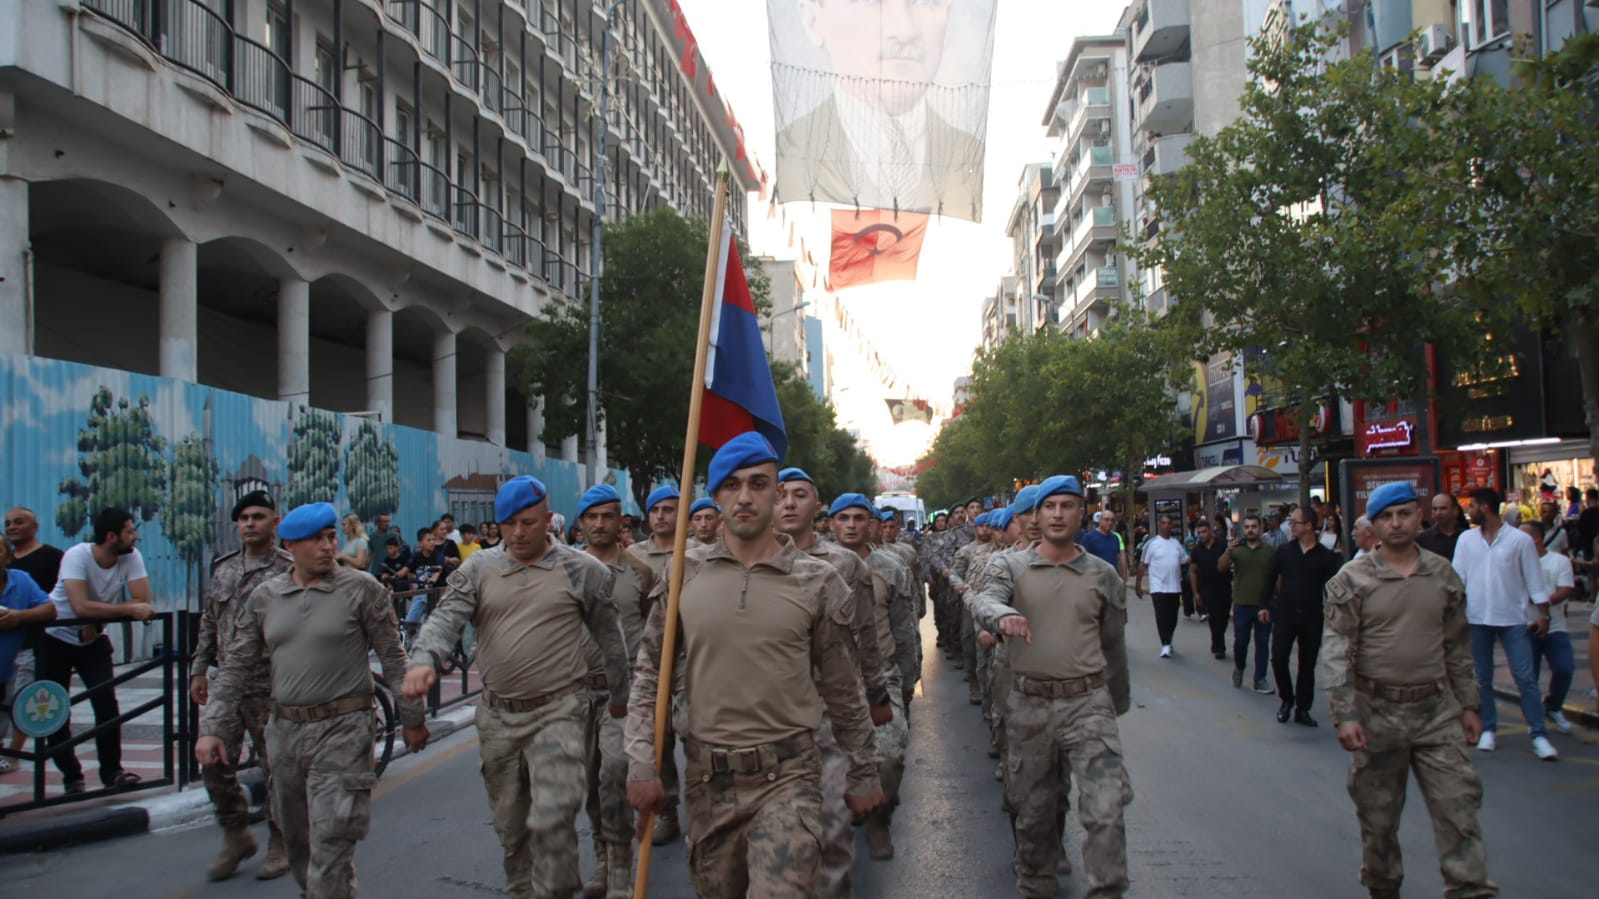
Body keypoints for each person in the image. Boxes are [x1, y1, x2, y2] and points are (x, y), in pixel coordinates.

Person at [625, 433, 884, 898]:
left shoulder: (818, 580)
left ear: (776, 492)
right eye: (732, 485)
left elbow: (845, 688)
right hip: (708, 776)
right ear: (717, 494)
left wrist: (863, 770)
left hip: (789, 774)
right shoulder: (685, 572)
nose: (745, 497)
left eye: (759, 484)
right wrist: (642, 761)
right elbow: (650, 674)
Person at [402, 477, 631, 899]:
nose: (518, 533)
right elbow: (445, 619)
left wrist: (620, 699)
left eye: (528, 523)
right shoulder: (479, 568)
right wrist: (423, 660)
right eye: (508, 524)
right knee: (510, 826)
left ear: (548, 520)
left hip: (559, 712)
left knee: (554, 819)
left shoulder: (582, 570)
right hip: (498, 717)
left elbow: (610, 639)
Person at [195, 502, 426, 899]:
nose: (326, 546)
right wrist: (213, 727)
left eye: (330, 536)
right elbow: (234, 665)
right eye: (315, 539)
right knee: (299, 843)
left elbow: (393, 658)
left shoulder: (362, 589)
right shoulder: (266, 597)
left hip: (345, 728)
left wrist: (412, 718)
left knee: (332, 841)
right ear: (291, 545)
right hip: (284, 731)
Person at [1318, 482, 1496, 899]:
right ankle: (1383, 888)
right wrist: (1346, 714)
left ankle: (1469, 888)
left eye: (1404, 514)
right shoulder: (1353, 579)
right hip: (1377, 714)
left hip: (1437, 712)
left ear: (1420, 517)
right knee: (1378, 822)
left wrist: (1470, 705)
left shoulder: (1442, 574)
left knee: (1460, 812)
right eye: (1386, 517)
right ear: (1374, 526)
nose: (1396, 523)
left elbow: (1457, 646)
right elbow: (1337, 651)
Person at [973, 475, 1132, 899]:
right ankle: (1036, 883)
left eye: (1068, 505)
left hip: (1088, 703)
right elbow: (985, 599)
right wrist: (1001, 616)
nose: (1058, 514)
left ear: (1083, 513)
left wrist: (1115, 701)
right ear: (1037, 516)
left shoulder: (1103, 575)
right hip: (1029, 703)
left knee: (1106, 804)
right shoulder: (1010, 566)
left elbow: (1113, 641)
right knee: (1034, 811)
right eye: (1049, 507)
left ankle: (1107, 889)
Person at [775, 469, 890, 899]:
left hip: (829, 710)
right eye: (781, 494)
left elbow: (866, 638)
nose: (788, 503)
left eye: (799, 495)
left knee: (831, 835)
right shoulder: (748, 566)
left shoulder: (844, 564)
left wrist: (876, 695)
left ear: (817, 506)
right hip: (768, 714)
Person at [190, 491, 295, 881]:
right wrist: (199, 668)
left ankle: (281, 840)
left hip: (272, 684)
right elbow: (209, 620)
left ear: (274, 522)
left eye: (258, 516)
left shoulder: (288, 569)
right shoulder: (224, 568)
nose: (249, 523)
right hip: (227, 687)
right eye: (243, 518)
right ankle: (236, 833)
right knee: (212, 761)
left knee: (277, 768)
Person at [575, 484, 656, 898]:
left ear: (621, 520)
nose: (600, 524)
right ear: (581, 522)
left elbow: (653, 628)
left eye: (608, 516)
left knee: (614, 773)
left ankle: (622, 866)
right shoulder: (565, 569)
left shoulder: (640, 571)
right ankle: (603, 856)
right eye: (592, 516)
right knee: (588, 779)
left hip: (621, 695)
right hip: (573, 694)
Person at [39, 507, 156, 793]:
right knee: (54, 708)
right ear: (111, 536)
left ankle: (112, 771)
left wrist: (100, 618)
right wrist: (123, 609)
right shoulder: (77, 555)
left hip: (92, 640)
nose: (136, 536)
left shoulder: (131, 557)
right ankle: (72, 776)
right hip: (56, 636)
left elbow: (144, 602)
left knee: (105, 700)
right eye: (130, 531)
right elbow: (81, 607)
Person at [831, 492, 917, 861]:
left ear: (872, 524)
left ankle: (880, 821)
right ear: (832, 523)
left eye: (859, 518)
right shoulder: (814, 566)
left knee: (888, 758)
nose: (851, 525)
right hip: (828, 681)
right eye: (843, 518)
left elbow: (904, 628)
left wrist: (908, 681)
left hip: (880, 676)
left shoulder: (890, 569)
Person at [1451, 487, 1557, 759]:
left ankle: (1539, 734)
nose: (1469, 511)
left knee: (1525, 677)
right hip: (1476, 617)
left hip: (1513, 618)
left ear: (1485, 507)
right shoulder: (1466, 540)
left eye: (1472, 505)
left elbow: (1534, 580)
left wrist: (1543, 614)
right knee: (1482, 678)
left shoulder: (1519, 541)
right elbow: (1457, 578)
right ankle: (1488, 728)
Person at [624, 483, 683, 844]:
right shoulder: (633, 556)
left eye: (669, 509)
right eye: (655, 510)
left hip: (689, 660)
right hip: (648, 659)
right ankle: (669, 812)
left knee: (697, 737)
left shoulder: (697, 553)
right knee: (657, 740)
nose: (661, 517)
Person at [1263, 505, 1342, 726]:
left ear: (1308, 526)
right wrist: (1264, 604)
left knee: (1307, 665)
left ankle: (1303, 709)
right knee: (1278, 658)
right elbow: (1270, 577)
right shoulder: (1285, 552)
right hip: (1286, 614)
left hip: (1312, 616)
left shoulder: (1326, 557)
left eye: (1295, 522)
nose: (1291, 526)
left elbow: (1333, 588)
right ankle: (1287, 699)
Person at [4, 507, 63, 758]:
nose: (12, 527)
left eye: (19, 522)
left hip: (34, 643)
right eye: (7, 523)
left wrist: (20, 617)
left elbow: (55, 603)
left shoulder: (50, 557)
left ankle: (15, 754)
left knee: (23, 699)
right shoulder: (11, 566)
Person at [1520, 520, 1576, 735]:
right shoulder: (1517, 563)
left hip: (1555, 627)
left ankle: (1553, 706)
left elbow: (1564, 590)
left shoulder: (1559, 561)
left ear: (1536, 538)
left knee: (1564, 668)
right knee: (1528, 676)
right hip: (1525, 626)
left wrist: (1541, 600)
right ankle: (1533, 716)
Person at [1219, 514, 1275, 692]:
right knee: (1241, 641)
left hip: (1263, 605)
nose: (1251, 530)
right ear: (1243, 529)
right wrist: (1228, 550)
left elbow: (1277, 578)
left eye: (1254, 526)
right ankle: (1240, 667)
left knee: (1262, 642)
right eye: (1248, 527)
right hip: (1242, 604)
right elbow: (1220, 567)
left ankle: (1260, 679)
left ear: (1260, 529)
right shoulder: (1237, 550)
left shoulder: (1269, 551)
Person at [948, 511, 996, 704]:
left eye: (988, 526)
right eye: (981, 526)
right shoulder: (966, 551)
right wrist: (959, 585)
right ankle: (975, 686)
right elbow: (955, 573)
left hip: (992, 603)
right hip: (971, 603)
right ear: (975, 528)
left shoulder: (998, 551)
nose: (985, 529)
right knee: (969, 643)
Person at [1137, 514, 1188, 658]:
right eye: (1164, 523)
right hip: (1158, 587)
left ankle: (1169, 639)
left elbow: (1185, 560)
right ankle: (1165, 644)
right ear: (1159, 525)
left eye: (1169, 523)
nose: (1167, 525)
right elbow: (1143, 565)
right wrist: (1138, 585)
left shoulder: (1176, 544)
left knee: (1172, 617)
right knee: (1161, 616)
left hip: (1175, 587)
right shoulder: (1152, 544)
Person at [1188, 520, 1233, 660]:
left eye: (1204, 532)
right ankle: (1219, 646)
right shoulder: (1196, 551)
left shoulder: (1222, 545)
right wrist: (1196, 593)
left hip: (1224, 586)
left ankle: (1218, 638)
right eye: (1199, 533)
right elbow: (1193, 572)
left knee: (1223, 616)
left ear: (1211, 532)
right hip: (1207, 589)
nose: (1201, 535)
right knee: (1214, 617)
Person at [1079, 508, 1128, 579]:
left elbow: (1118, 559)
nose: (1110, 523)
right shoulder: (1088, 537)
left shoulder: (1115, 538)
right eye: (1106, 520)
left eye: (1112, 520)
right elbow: (1082, 560)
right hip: (1095, 580)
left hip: (1112, 579)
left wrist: (1123, 577)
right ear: (1100, 520)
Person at [1418, 492, 1466, 561]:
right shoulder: (1422, 539)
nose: (1438, 513)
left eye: (1443, 508)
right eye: (1435, 509)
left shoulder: (1466, 536)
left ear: (1455, 510)